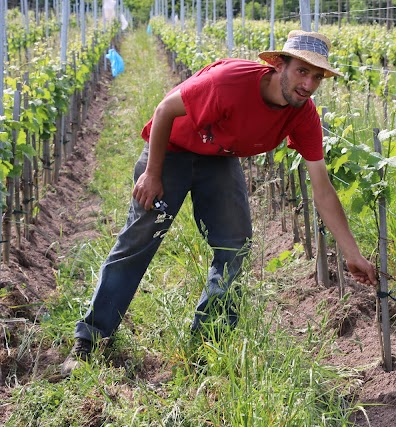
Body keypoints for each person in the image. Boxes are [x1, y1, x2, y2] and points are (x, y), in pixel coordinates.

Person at [61, 30, 377, 375]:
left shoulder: (302, 114)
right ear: (279, 65)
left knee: (235, 243)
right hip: (173, 150)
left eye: (317, 77)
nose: (309, 84)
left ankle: (208, 343)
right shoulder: (230, 83)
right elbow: (165, 108)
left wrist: (352, 254)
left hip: (218, 158)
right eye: (302, 71)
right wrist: (152, 173)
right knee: (140, 239)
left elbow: (322, 189)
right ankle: (90, 340)